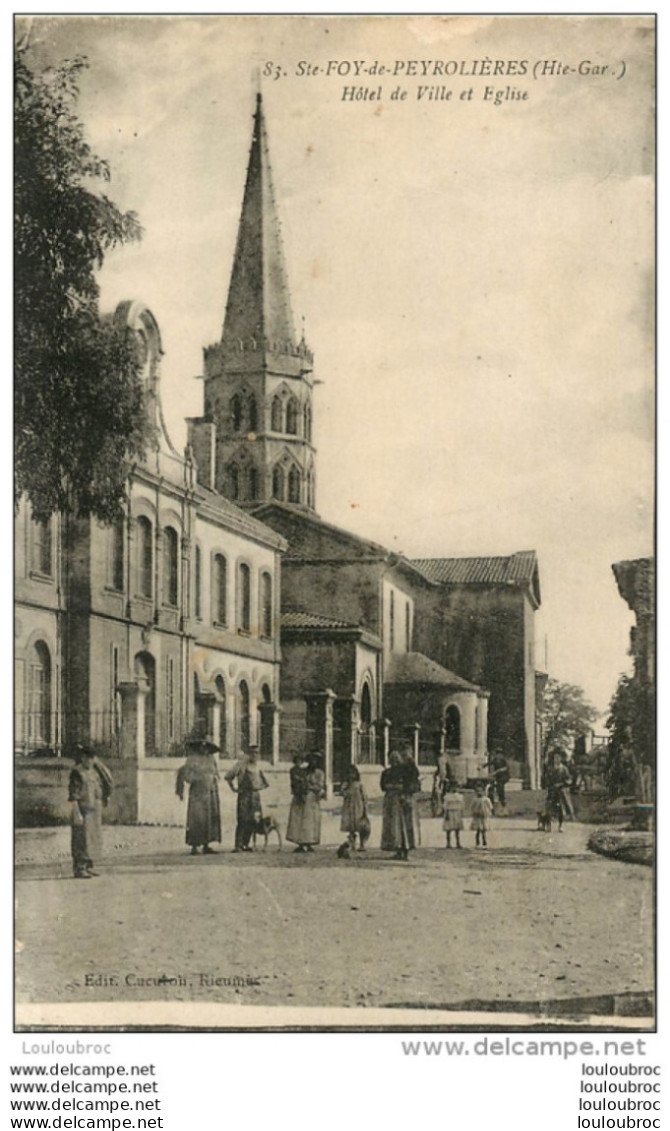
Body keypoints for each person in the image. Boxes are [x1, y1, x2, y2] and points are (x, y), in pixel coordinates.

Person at [68, 745, 113, 879]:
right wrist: (76, 811)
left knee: (92, 839)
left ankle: (88, 866)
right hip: (83, 809)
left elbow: (106, 780)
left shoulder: (94, 771)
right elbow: (73, 793)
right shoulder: (77, 772)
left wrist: (105, 796)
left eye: (92, 758)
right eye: (88, 758)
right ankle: (79, 868)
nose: (90, 761)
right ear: (82, 758)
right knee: (81, 839)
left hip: (94, 810)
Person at [176, 739, 222, 855]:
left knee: (210, 817)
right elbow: (186, 775)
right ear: (198, 748)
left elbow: (216, 773)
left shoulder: (211, 759)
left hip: (211, 793)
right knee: (197, 818)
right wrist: (198, 778)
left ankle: (207, 844)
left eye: (206, 747)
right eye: (202, 747)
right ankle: (195, 845)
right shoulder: (192, 759)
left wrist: (214, 778)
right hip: (198, 793)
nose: (204, 749)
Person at [225, 746, 269, 852]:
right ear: (248, 754)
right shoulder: (241, 765)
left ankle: (245, 844)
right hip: (244, 796)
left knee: (255, 820)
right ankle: (237, 845)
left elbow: (266, 783)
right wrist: (234, 789)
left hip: (256, 797)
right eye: (252, 753)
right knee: (242, 819)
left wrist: (258, 787)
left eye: (257, 753)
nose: (255, 755)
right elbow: (228, 776)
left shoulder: (259, 767)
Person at [286, 752, 326, 852]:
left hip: (312, 799)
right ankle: (300, 843)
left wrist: (310, 788)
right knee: (299, 821)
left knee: (310, 821)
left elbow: (320, 786)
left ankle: (309, 843)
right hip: (301, 798)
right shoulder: (303, 771)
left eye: (315, 760)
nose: (313, 762)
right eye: (311, 760)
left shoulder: (319, 773)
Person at [380, 751, 412, 861]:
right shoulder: (386, 772)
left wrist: (401, 790)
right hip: (390, 800)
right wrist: (392, 786)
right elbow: (383, 786)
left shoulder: (404, 771)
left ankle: (405, 849)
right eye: (392, 759)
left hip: (400, 799)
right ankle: (397, 850)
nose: (394, 761)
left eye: (396, 759)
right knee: (393, 826)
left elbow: (408, 785)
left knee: (402, 825)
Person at [340, 764, 370, 852]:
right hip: (349, 808)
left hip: (358, 807)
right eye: (348, 774)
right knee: (351, 827)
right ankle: (352, 843)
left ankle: (362, 844)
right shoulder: (346, 785)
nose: (350, 775)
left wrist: (365, 808)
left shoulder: (359, 785)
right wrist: (344, 789)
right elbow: (343, 794)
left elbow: (364, 797)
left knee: (360, 826)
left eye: (352, 773)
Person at [442, 783, 464, 848]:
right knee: (448, 828)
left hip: (457, 812)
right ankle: (448, 843)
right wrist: (446, 813)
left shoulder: (460, 796)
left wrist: (461, 812)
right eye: (453, 787)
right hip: (450, 812)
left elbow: (462, 805)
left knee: (457, 828)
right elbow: (445, 805)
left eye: (456, 787)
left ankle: (458, 843)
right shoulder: (447, 796)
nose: (454, 789)